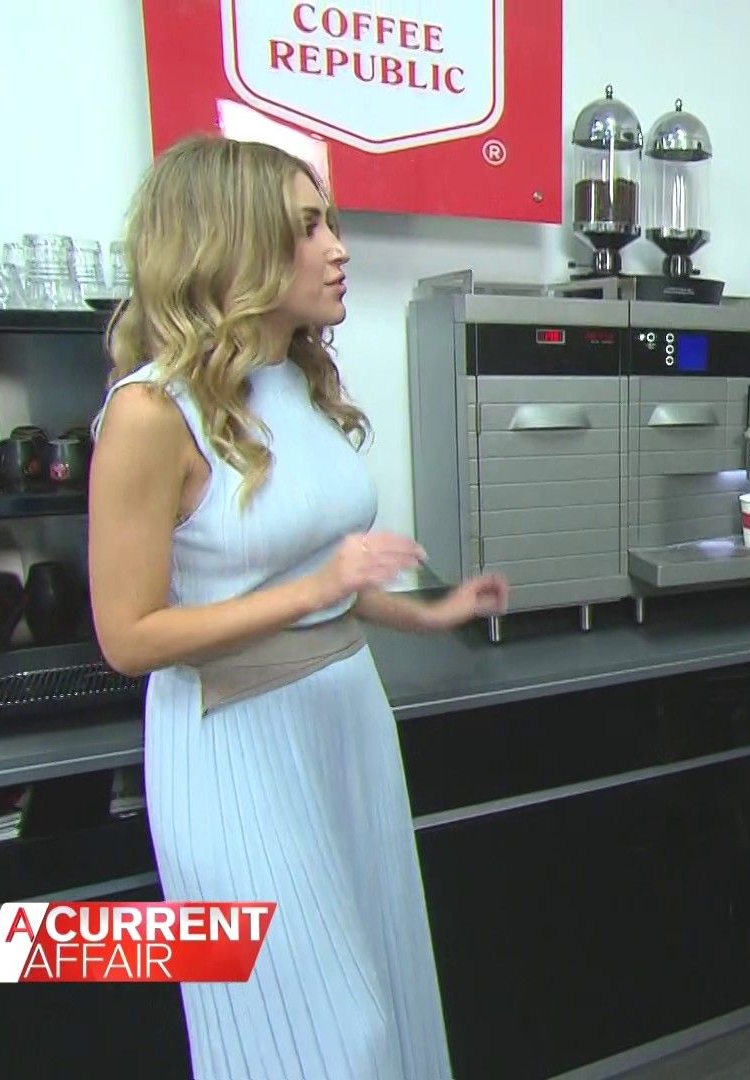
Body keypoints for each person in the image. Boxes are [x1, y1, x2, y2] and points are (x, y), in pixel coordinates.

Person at [88, 134, 508, 1079]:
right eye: (308, 228)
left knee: (387, 991)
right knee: (321, 1038)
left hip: (345, 718)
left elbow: (321, 580)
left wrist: (426, 612)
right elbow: (128, 636)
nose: (337, 248)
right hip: (234, 747)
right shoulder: (151, 415)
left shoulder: (298, 381)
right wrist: (319, 588)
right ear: (231, 243)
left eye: (331, 224)